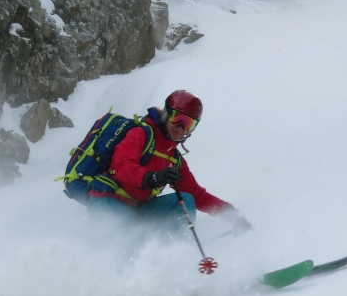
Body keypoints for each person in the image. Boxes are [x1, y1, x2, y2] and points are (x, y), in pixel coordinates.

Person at [87, 90, 252, 237]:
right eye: (177, 118)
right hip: (109, 200)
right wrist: (153, 177)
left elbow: (197, 195)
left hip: (137, 209)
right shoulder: (141, 134)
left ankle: (180, 253)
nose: (181, 128)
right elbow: (122, 166)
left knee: (185, 201)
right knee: (132, 242)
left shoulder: (174, 158)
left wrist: (232, 215)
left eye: (189, 124)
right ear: (166, 114)